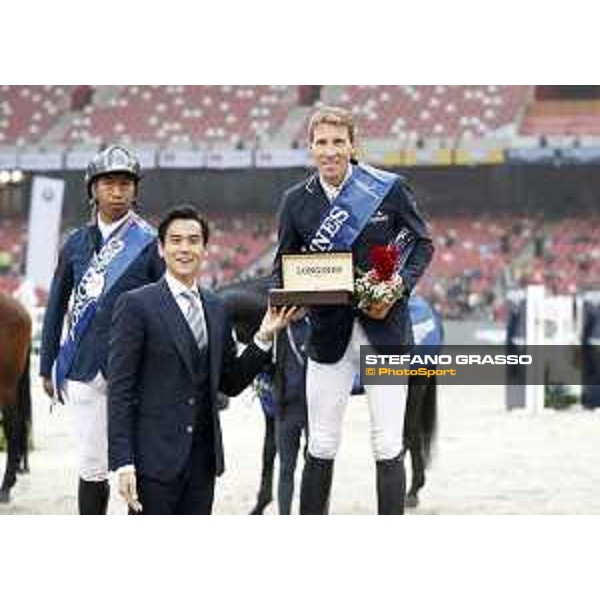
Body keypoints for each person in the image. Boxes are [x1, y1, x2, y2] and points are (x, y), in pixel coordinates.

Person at [274, 106, 434, 514]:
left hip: (386, 330)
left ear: (352, 145)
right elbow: (283, 267)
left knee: (388, 442)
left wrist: (397, 285)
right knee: (322, 443)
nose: (330, 151)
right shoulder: (294, 202)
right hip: (328, 336)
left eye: (338, 142)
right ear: (310, 148)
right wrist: (292, 298)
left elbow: (421, 244)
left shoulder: (388, 187)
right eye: (321, 143)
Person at [108, 205, 297, 515]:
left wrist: (263, 337)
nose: (185, 248)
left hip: (203, 463)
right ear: (161, 247)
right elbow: (120, 391)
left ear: (204, 249)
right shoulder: (135, 305)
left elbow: (231, 381)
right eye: (176, 240)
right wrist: (123, 462)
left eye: (193, 240)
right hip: (152, 464)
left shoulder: (216, 307)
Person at [39, 145, 165, 515]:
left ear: (135, 189)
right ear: (93, 189)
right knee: (92, 467)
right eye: (109, 182)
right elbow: (56, 306)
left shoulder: (150, 242)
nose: (118, 190)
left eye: (126, 183)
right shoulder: (75, 243)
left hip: (139, 369)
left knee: (134, 465)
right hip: (83, 367)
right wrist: (47, 364)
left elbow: (165, 306)